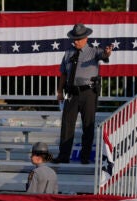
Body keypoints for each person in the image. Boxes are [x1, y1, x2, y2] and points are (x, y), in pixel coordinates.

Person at [53, 23, 113, 164]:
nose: (76, 41)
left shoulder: (94, 51)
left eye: (79, 38)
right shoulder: (68, 53)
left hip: (88, 93)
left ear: (86, 38)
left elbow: (104, 55)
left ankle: (85, 157)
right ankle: (64, 156)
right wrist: (59, 91)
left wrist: (108, 52)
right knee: (67, 125)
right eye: (74, 38)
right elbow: (63, 73)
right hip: (71, 93)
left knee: (88, 125)